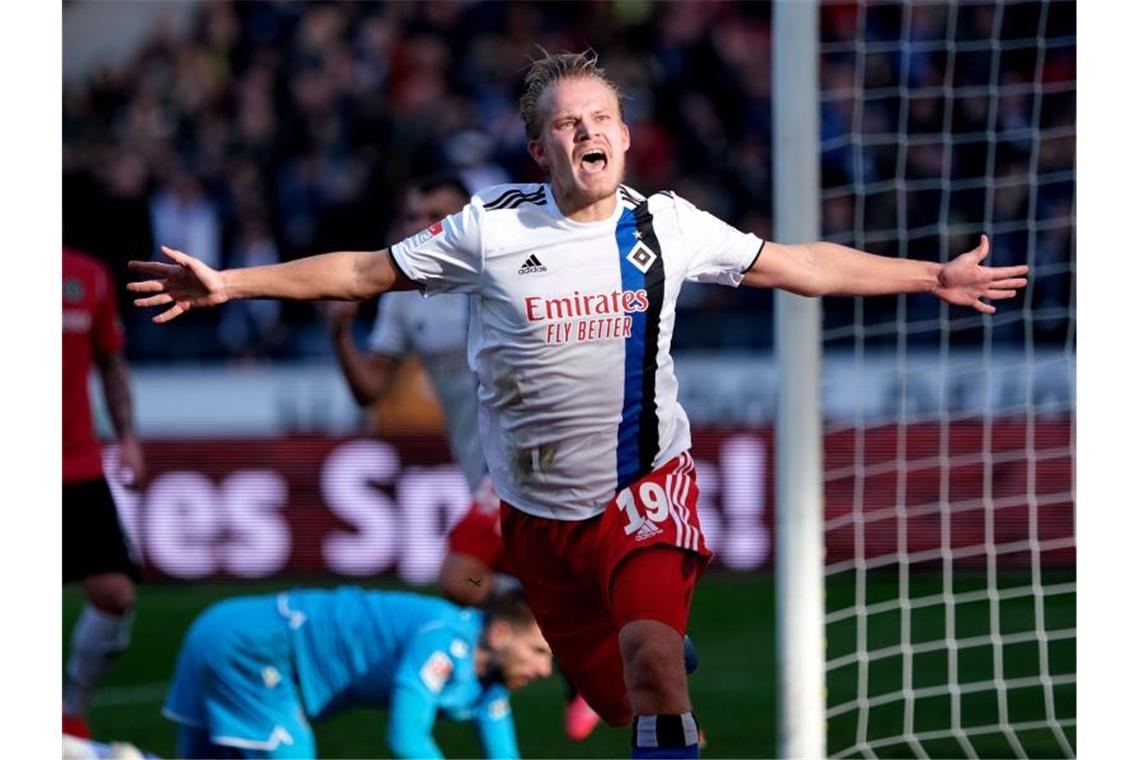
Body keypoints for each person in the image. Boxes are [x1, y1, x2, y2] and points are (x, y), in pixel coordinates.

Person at [128, 51, 1029, 759]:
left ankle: (661, 665)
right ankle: (657, 703)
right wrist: (231, 285)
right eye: (567, 124)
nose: (587, 132)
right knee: (618, 699)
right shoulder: (489, 228)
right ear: (540, 149)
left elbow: (802, 265)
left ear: (626, 137)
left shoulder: (668, 224)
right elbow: (364, 271)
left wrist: (930, 275)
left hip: (643, 492)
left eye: (602, 118)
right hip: (533, 517)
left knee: (650, 666)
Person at [328, 174, 604, 741]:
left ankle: (590, 652)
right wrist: (339, 336)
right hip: (485, 472)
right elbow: (372, 391)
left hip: (534, 462)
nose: (419, 226)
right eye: (411, 215)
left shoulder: (503, 271)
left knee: (461, 575)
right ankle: (574, 642)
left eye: (434, 213)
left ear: (467, 221)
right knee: (487, 582)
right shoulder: (408, 301)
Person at [162, 586, 552, 759]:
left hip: (239, 635)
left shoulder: (493, 681)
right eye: (538, 651)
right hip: (252, 644)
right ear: (500, 634)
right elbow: (406, 738)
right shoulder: (444, 641)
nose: (544, 669)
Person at [63, 247, 147, 739]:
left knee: (115, 595)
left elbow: (111, 363)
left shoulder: (88, 276)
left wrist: (129, 439)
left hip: (76, 465)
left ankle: (71, 709)